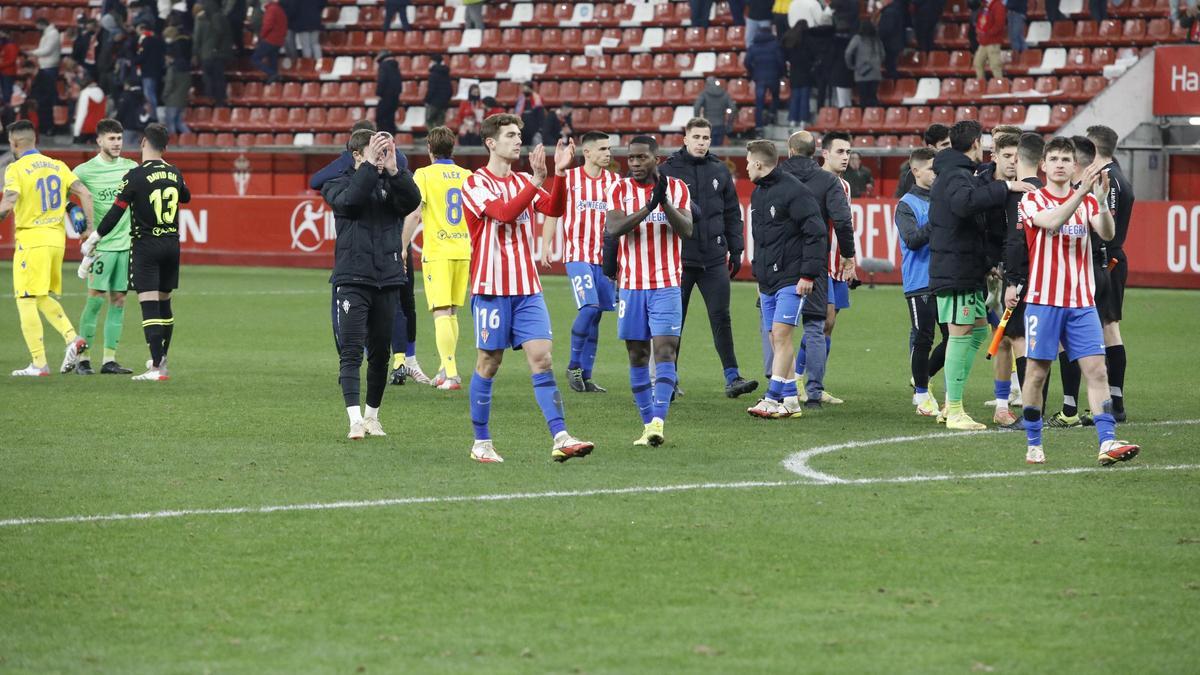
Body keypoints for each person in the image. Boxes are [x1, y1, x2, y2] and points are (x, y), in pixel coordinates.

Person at [460, 113, 594, 463]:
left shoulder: (522, 179)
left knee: (543, 358)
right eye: (510, 135)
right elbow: (504, 214)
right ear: (491, 142)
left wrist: (559, 175)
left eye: (519, 134)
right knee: (489, 362)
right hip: (491, 288)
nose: (518, 140)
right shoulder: (475, 183)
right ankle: (481, 443)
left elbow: (553, 208)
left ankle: (561, 435)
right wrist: (536, 181)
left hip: (527, 288)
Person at [1014, 137, 1139, 467]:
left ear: (1074, 166)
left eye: (1065, 159)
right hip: (1044, 301)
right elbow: (1052, 222)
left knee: (1097, 371)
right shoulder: (1031, 200)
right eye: (1052, 158)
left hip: (1082, 302)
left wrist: (1098, 202)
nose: (1058, 163)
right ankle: (1033, 441)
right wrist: (1083, 193)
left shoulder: (1085, 203)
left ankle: (1107, 441)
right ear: (1043, 165)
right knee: (1037, 374)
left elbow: (1108, 233)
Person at [928, 120, 1033, 430]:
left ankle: (951, 404)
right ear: (976, 144)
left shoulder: (956, 173)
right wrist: (1006, 187)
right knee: (961, 334)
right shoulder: (957, 175)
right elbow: (964, 205)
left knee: (975, 332)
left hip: (967, 267)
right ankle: (954, 409)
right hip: (956, 270)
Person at [318, 129, 419, 438]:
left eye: (384, 151)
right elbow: (352, 201)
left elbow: (413, 200)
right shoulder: (336, 183)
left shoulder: (391, 180)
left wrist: (394, 171)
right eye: (374, 152)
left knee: (380, 354)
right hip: (352, 278)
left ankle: (372, 417)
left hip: (387, 278)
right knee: (350, 351)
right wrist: (369, 170)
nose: (380, 157)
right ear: (357, 156)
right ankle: (354, 420)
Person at [604, 135, 694, 447]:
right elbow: (614, 229)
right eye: (631, 159)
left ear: (656, 158)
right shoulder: (618, 188)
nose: (636, 164)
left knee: (665, 351)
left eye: (642, 158)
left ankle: (658, 421)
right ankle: (647, 425)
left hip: (667, 284)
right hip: (631, 287)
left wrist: (664, 202)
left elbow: (687, 230)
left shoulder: (678, 188)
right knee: (637, 355)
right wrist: (648, 207)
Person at [81, 123, 188, 382]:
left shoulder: (135, 175)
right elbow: (185, 197)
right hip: (172, 244)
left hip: (146, 245)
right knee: (165, 303)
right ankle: (161, 359)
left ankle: (155, 369)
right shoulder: (174, 172)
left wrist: (94, 237)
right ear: (165, 147)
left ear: (142, 143)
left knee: (148, 304)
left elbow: (117, 211)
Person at [660, 118, 757, 397]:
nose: (702, 142)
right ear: (685, 139)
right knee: (674, 321)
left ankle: (732, 377)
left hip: (714, 258)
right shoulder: (668, 170)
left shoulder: (719, 170)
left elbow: (731, 213)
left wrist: (736, 250)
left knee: (721, 317)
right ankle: (669, 379)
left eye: (706, 137)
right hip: (679, 260)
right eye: (697, 137)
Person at [1, 121, 95, 377]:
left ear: (14, 143)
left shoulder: (15, 168)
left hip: (32, 240)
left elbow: (9, 201)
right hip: (56, 240)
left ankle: (39, 363)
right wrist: (88, 229)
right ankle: (71, 339)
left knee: (25, 299)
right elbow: (85, 194)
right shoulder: (57, 165)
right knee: (38, 296)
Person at [744, 140, 829, 419]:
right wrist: (759, 272)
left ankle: (772, 398)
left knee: (781, 335)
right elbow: (762, 239)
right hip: (769, 279)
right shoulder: (759, 195)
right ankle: (791, 399)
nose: (745, 167)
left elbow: (816, 233)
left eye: (747, 162)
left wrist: (808, 274)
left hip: (792, 278)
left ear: (758, 163)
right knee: (774, 337)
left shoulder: (794, 191)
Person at [537, 130, 619, 393]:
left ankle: (587, 375)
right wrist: (546, 244)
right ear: (588, 152)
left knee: (596, 317)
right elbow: (553, 211)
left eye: (609, 149)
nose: (608, 154)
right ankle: (573, 365)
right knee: (589, 308)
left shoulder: (615, 182)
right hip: (578, 256)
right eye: (603, 149)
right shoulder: (570, 179)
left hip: (605, 260)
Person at [778, 131, 855, 405]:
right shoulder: (820, 182)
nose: (846, 157)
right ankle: (802, 380)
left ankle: (805, 381)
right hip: (821, 262)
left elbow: (845, 226)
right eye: (840, 152)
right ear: (824, 154)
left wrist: (848, 261)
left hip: (836, 263)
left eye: (848, 152)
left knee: (827, 325)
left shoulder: (843, 186)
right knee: (821, 321)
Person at [402, 127, 473, 390]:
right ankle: (445, 368)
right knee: (452, 312)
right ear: (452, 149)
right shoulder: (467, 175)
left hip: (439, 252)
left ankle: (452, 374)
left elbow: (414, 214)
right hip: (463, 250)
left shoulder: (424, 174)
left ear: (429, 149)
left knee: (441, 311)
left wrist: (402, 245)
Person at [73, 119, 139, 376]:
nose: (117, 143)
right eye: (111, 139)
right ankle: (82, 357)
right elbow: (67, 198)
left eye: (119, 139)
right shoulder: (84, 171)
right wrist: (80, 222)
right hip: (101, 247)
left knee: (119, 300)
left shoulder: (131, 168)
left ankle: (109, 360)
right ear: (99, 140)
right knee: (95, 300)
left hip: (126, 245)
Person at [894, 147, 948, 417]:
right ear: (915, 171)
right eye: (929, 168)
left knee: (953, 337)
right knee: (924, 336)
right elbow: (912, 240)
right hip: (919, 281)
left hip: (946, 277)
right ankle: (923, 394)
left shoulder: (943, 198)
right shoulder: (906, 204)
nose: (935, 173)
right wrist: (937, 220)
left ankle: (922, 377)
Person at [1086, 124, 1133, 423]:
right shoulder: (1117, 176)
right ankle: (1112, 399)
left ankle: (1115, 401)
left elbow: (1107, 227)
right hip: (1110, 260)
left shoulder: (1110, 181)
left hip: (1108, 261)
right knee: (1106, 327)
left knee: (1108, 328)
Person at [1001, 132, 1047, 421]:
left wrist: (1012, 281)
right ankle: (1064, 406)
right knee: (1048, 341)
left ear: (1017, 159)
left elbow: (1017, 240)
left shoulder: (1020, 194)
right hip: (1046, 275)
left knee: (1019, 337)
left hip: (1025, 277)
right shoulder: (1045, 190)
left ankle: (1033, 410)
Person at [976, 131, 1021, 426]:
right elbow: (976, 226)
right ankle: (1003, 404)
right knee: (1003, 338)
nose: (1013, 163)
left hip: (1023, 271)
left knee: (1023, 339)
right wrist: (990, 263)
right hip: (993, 270)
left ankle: (1041, 401)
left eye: (1018, 157)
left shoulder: (1032, 187)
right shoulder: (980, 185)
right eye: (1007, 156)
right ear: (994, 157)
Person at [895, 123, 951, 197]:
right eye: (945, 145)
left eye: (952, 143)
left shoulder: (960, 166)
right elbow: (903, 199)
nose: (950, 148)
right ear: (931, 147)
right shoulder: (911, 171)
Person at [746, 28, 785, 134]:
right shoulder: (775, 45)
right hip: (774, 76)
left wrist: (753, 72)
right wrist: (782, 73)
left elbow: (747, 62)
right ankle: (772, 114)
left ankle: (759, 127)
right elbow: (780, 61)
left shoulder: (753, 46)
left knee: (759, 102)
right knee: (775, 97)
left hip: (759, 78)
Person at [27, 19, 63, 135]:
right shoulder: (48, 33)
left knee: (46, 99)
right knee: (42, 99)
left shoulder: (53, 34)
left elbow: (47, 50)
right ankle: (44, 125)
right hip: (45, 67)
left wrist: (32, 53)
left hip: (49, 67)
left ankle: (49, 126)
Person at [193, 2, 231, 105]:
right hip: (219, 54)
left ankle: (210, 98)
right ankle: (220, 101)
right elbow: (227, 37)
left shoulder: (200, 20)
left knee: (208, 77)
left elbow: (197, 39)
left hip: (206, 55)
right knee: (219, 78)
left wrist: (195, 54)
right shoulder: (222, 18)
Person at [782, 21, 816, 127]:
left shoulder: (790, 40)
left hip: (794, 72)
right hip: (806, 72)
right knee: (804, 97)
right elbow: (813, 55)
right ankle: (803, 120)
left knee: (795, 96)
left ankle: (792, 119)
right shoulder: (809, 40)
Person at [844, 21, 884, 106]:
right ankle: (874, 116)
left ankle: (865, 116)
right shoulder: (877, 39)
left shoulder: (857, 38)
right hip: (876, 73)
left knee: (863, 98)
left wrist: (850, 65)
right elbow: (883, 54)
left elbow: (848, 52)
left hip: (861, 73)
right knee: (872, 97)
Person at [162, 29, 192, 136]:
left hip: (172, 100)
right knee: (179, 122)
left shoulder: (172, 69)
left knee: (170, 124)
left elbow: (169, 84)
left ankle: (173, 145)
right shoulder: (186, 69)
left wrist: (164, 96)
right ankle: (190, 139)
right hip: (182, 99)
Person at [251, 0, 286, 83]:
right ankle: (275, 81)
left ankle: (272, 73)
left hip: (270, 40)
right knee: (273, 61)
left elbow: (267, 25)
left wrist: (262, 36)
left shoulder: (271, 10)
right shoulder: (280, 9)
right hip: (279, 40)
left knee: (255, 58)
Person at [692, 77, 735, 146]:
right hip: (721, 125)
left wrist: (698, 122)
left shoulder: (704, 94)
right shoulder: (725, 94)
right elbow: (733, 108)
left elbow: (696, 107)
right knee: (718, 149)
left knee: (708, 149)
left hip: (707, 125)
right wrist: (729, 124)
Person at [134, 21, 165, 115]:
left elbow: (142, 55)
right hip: (156, 70)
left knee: (148, 94)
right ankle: (153, 114)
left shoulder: (146, 40)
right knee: (152, 93)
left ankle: (152, 115)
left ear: (142, 29)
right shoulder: (157, 39)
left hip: (148, 71)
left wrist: (134, 61)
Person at [974, 0, 1005, 81]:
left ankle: (1000, 85)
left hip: (993, 41)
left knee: (995, 65)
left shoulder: (998, 6)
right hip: (983, 41)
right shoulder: (985, 5)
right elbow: (980, 20)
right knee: (978, 63)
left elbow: (999, 24)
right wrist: (979, 31)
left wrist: (987, 33)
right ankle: (981, 83)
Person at [73, 75, 108, 144]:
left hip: (85, 127)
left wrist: (76, 133)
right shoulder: (101, 92)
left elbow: (81, 114)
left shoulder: (85, 93)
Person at [374, 51, 401, 135]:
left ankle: (382, 138)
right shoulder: (395, 67)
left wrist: (379, 93)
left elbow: (382, 81)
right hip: (395, 97)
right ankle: (391, 137)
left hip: (385, 96)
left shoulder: (384, 66)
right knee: (390, 118)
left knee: (380, 118)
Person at [877, 0, 906, 79]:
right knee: (891, 67)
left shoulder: (889, 12)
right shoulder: (896, 8)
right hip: (895, 43)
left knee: (890, 67)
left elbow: (886, 29)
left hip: (890, 45)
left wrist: (878, 35)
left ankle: (894, 83)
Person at [426, 54, 452, 128]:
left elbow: (431, 89)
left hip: (433, 103)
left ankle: (433, 139)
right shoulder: (446, 74)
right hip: (444, 103)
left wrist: (426, 100)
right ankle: (440, 139)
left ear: (433, 62)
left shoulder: (433, 74)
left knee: (429, 121)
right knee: (440, 124)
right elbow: (450, 90)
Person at [0, 31, 18, 106]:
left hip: (8, 72)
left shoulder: (12, 45)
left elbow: (11, 60)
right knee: (3, 92)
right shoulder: (3, 45)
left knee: (7, 92)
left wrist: (1, 65)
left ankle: (8, 110)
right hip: (2, 71)